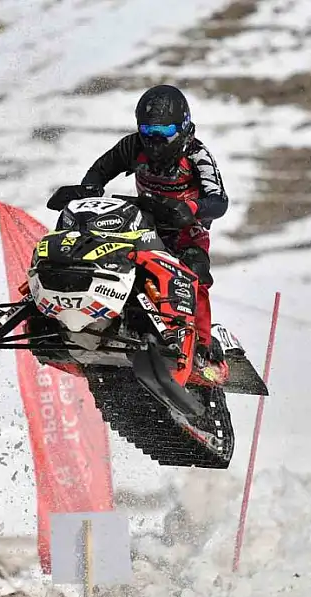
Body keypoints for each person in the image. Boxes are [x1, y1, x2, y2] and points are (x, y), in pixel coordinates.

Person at [78, 84, 229, 378]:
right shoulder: (133, 146)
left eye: (164, 133)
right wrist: (88, 189)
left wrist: (193, 208)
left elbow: (219, 201)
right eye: (148, 132)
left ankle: (203, 347)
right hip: (143, 224)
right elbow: (100, 169)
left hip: (186, 230)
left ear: (183, 128)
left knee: (194, 273)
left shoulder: (198, 155)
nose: (155, 141)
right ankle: (98, 321)